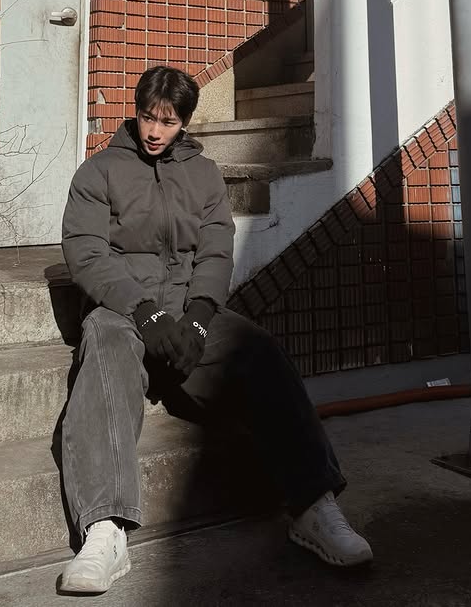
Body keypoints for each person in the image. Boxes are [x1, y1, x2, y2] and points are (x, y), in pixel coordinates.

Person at [59, 66, 373, 594]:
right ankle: (104, 528)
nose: (154, 131)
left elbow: (216, 250)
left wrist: (200, 318)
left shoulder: (204, 175)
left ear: (184, 122)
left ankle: (314, 506)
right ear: (135, 113)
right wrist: (144, 313)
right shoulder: (99, 171)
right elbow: (87, 252)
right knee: (103, 343)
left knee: (259, 351)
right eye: (147, 117)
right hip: (124, 311)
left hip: (187, 310)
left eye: (168, 121)